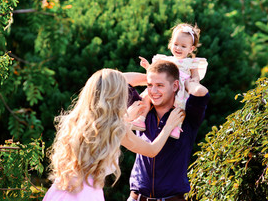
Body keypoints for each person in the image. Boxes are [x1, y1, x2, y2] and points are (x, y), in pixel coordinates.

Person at [43, 68, 185, 201]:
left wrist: (150, 80)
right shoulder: (117, 129)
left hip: (59, 192)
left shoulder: (77, 121)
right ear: (116, 96)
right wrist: (169, 126)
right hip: (86, 195)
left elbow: (119, 80)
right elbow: (152, 150)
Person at [126, 60, 209, 201]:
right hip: (136, 198)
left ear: (175, 85)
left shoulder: (186, 116)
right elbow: (120, 80)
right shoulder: (140, 110)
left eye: (160, 85)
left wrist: (185, 81)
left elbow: (200, 91)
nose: (153, 91)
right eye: (150, 86)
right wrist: (151, 77)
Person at [131, 23, 208, 139]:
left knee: (180, 106)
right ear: (171, 43)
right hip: (164, 86)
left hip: (180, 88)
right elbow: (155, 73)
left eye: (183, 46)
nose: (178, 48)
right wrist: (147, 67)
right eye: (176, 44)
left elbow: (196, 77)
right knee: (147, 97)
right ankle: (141, 118)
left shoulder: (191, 63)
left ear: (191, 49)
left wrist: (193, 82)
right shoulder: (165, 60)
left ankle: (176, 127)